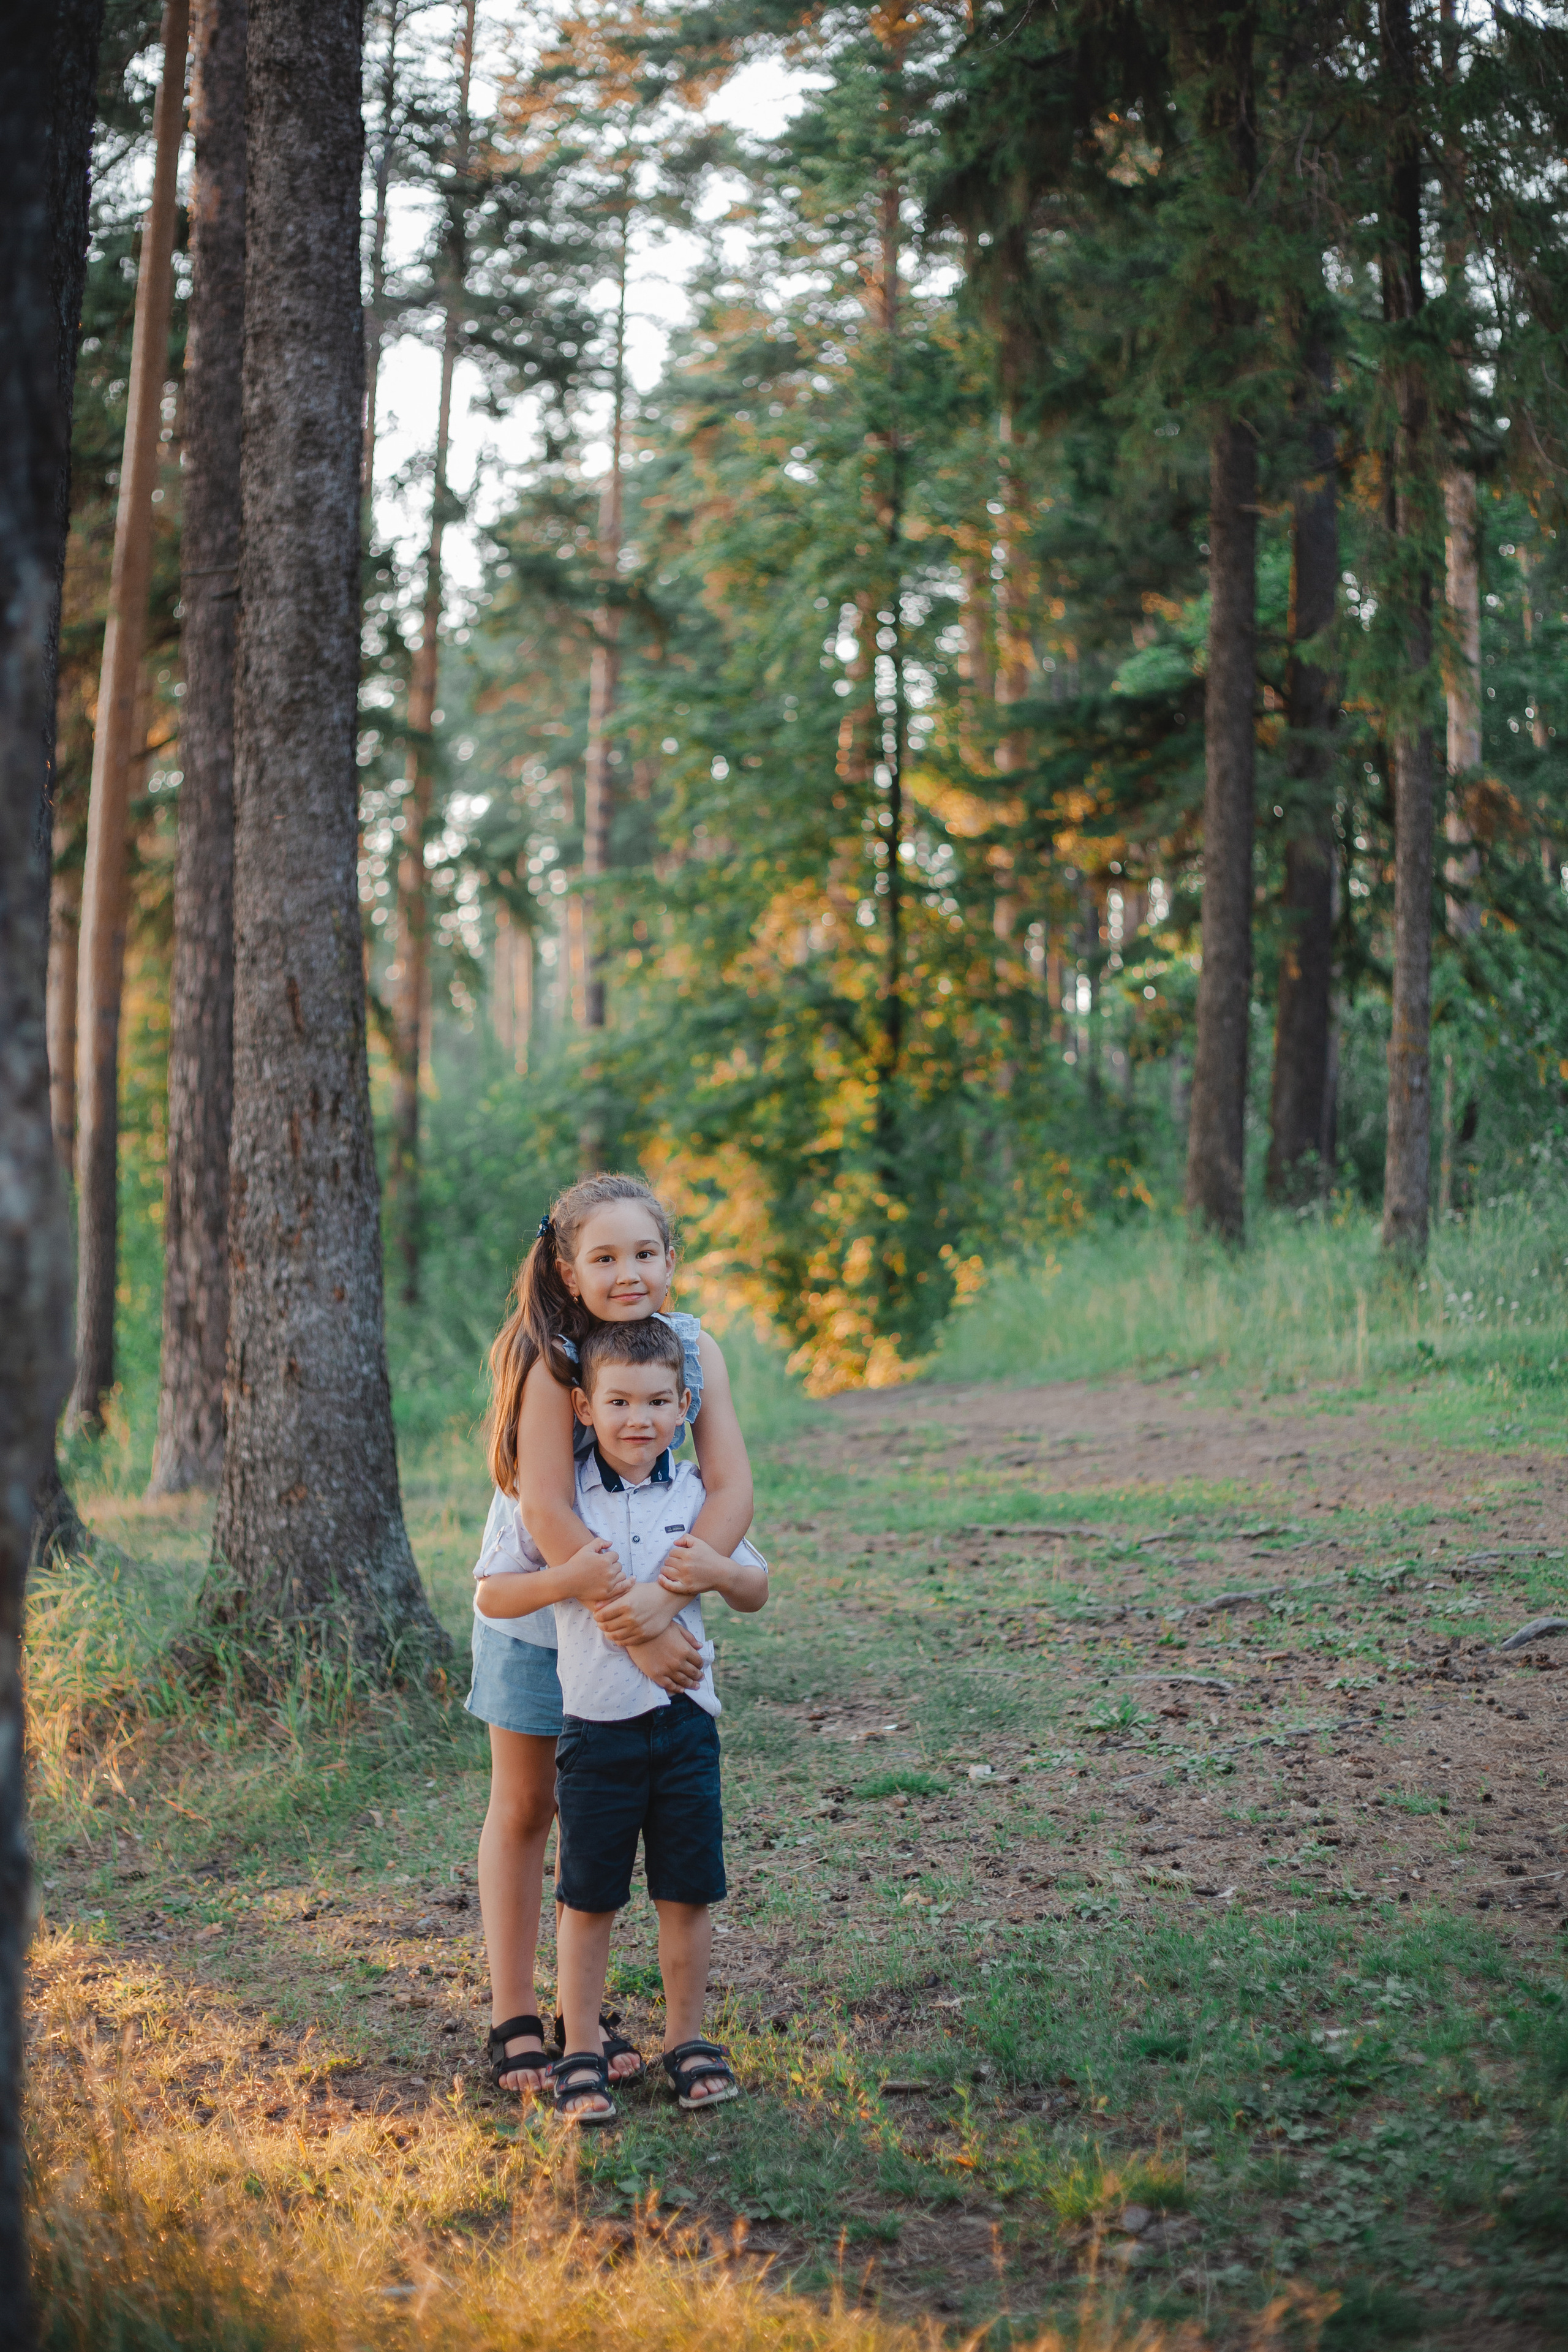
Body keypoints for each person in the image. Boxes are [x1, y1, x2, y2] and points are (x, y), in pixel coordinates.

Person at [469, 1174, 755, 2100]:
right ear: (567, 1269)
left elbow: (731, 1490)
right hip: (545, 1601)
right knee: (530, 1803)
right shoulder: (551, 1359)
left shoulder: (693, 1351)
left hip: (643, 1607)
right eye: (604, 1257)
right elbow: (548, 1511)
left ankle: (581, 2021)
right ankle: (517, 2013)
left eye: (644, 1253)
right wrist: (637, 1634)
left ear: (671, 1260)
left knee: (611, 1817)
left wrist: (666, 1603)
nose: (627, 1273)